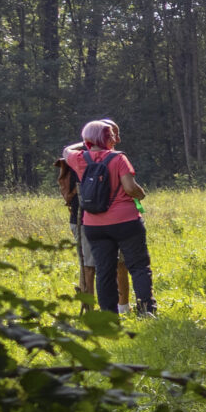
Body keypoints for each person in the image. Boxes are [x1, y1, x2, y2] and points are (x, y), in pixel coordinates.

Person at [66, 119, 154, 318]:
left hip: (94, 225)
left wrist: (86, 142)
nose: (115, 139)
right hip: (126, 222)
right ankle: (146, 311)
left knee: (104, 271)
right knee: (138, 267)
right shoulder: (119, 158)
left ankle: (109, 316)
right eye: (111, 135)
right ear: (104, 138)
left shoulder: (79, 159)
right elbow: (130, 188)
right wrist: (141, 194)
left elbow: (66, 150)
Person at [56, 120, 131, 309]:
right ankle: (89, 311)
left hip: (115, 220)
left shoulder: (116, 158)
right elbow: (66, 152)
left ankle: (123, 308)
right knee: (89, 266)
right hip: (84, 221)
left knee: (120, 263)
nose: (117, 139)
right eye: (112, 134)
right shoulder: (80, 158)